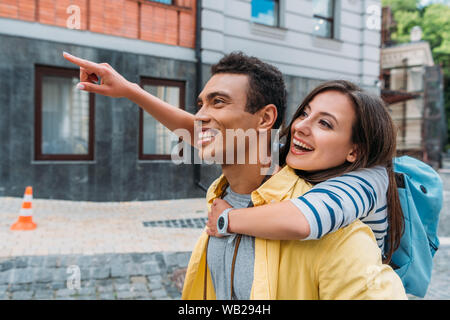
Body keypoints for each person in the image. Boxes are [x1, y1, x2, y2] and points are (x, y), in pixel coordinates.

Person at [63, 51, 406, 299]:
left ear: (265, 118)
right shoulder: (223, 197)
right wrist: (130, 90)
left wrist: (231, 220)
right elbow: (200, 128)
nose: (200, 116)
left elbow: (307, 222)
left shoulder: (340, 224)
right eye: (304, 115)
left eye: (218, 102)